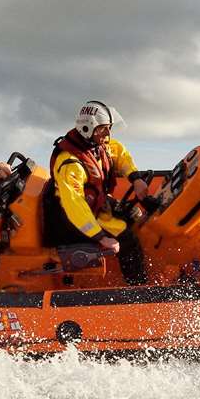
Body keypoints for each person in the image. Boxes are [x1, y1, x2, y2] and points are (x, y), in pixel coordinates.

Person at [42, 100, 152, 285]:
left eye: (109, 128)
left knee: (134, 214)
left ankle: (144, 267)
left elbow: (118, 152)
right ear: (87, 128)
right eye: (103, 129)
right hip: (72, 218)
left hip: (95, 205)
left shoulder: (96, 144)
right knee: (127, 237)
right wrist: (101, 237)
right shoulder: (70, 164)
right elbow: (74, 205)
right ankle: (138, 288)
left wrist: (136, 178)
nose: (108, 134)